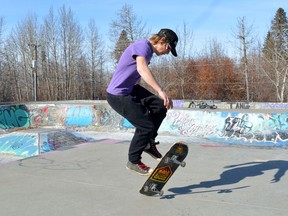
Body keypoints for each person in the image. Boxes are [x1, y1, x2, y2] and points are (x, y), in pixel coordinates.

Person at [106, 28, 178, 175]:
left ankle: (148, 143)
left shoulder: (148, 51)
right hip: (118, 94)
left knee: (160, 106)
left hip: (130, 89)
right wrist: (160, 90)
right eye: (168, 48)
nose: (167, 53)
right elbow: (142, 69)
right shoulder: (143, 46)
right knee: (145, 126)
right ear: (162, 40)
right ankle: (133, 161)